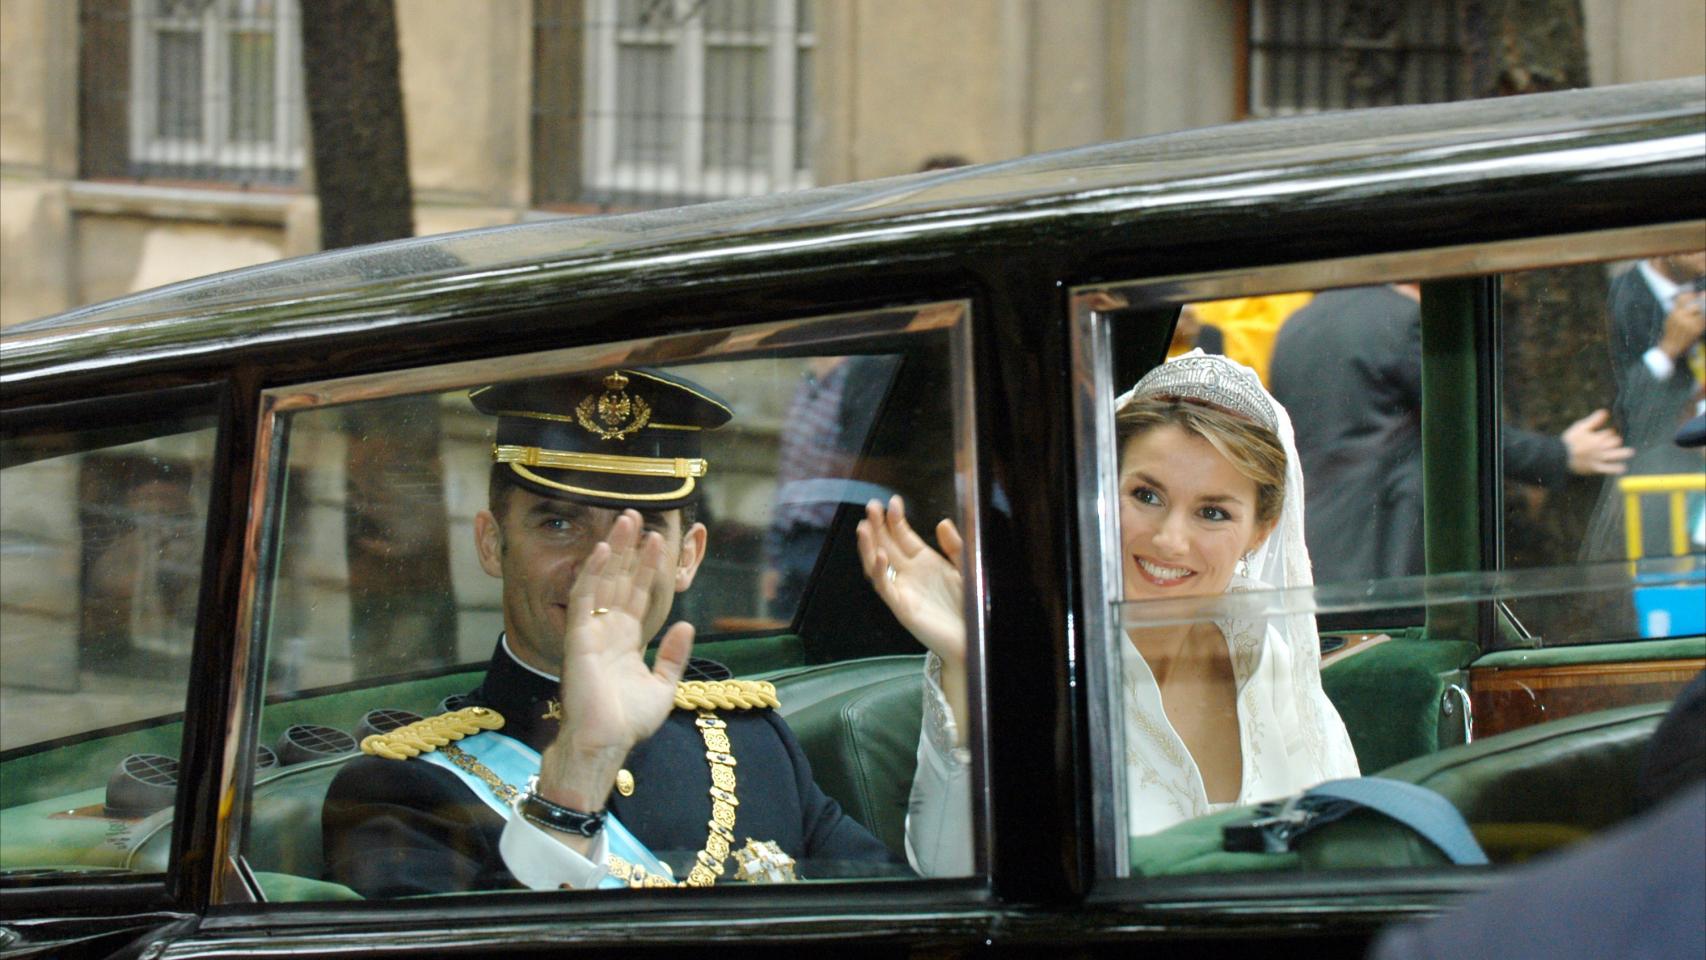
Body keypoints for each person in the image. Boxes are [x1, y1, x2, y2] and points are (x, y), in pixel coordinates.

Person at [323, 368, 897, 897]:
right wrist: (580, 768)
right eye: (559, 523)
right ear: (492, 543)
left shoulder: (754, 745)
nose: (599, 563)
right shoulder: (397, 794)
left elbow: (895, 915)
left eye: (639, 530)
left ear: (687, 557)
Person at [859, 351, 1360, 875]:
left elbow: (1343, 847)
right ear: (1098, 493)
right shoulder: (1028, 649)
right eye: (1146, 495)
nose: (1170, 540)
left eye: (1213, 512)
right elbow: (952, 870)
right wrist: (973, 665)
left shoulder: (1266, 647)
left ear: (1261, 529)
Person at [1269, 284, 1633, 583]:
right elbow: (1457, 428)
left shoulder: (1294, 326)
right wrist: (1560, 455)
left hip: (1310, 543)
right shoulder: (1404, 319)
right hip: (1385, 543)